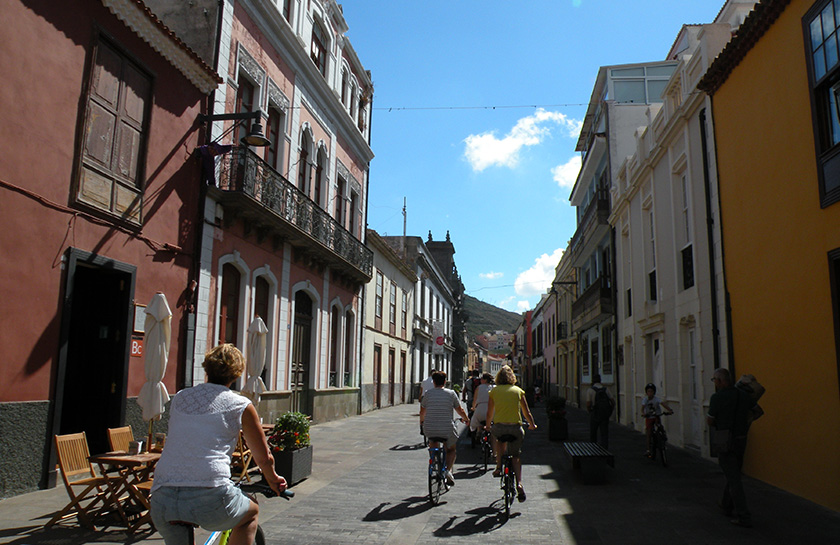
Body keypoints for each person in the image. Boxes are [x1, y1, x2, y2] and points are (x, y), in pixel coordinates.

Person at [150, 344, 287, 545]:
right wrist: (273, 479)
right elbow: (263, 457)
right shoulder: (240, 404)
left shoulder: (180, 398)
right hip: (211, 495)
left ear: (207, 368)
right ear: (237, 373)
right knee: (251, 512)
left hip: (162, 497)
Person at [708, 367, 756, 528]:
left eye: (715, 380)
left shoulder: (717, 397)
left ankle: (744, 515)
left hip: (724, 438)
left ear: (721, 381)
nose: (714, 383)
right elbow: (756, 411)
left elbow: (710, 420)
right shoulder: (742, 395)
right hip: (741, 438)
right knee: (733, 473)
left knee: (733, 478)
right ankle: (726, 504)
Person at [484, 365, 536, 502]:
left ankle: (498, 467)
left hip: (499, 427)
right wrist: (532, 424)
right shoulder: (518, 391)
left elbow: (489, 412)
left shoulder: (494, 392)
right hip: (515, 428)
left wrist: (488, 425)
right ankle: (519, 483)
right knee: (516, 455)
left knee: (500, 441)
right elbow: (526, 412)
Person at [420, 370, 470, 486]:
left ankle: (434, 460)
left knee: (433, 442)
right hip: (446, 428)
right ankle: (447, 470)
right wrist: (466, 419)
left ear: (433, 382)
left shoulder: (428, 393)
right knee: (451, 449)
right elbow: (460, 410)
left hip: (430, 427)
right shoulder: (451, 393)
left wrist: (422, 422)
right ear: (445, 382)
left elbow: (422, 411)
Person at [641, 383, 673, 457]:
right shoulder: (645, 400)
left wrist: (669, 410)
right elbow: (642, 408)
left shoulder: (656, 399)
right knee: (648, 433)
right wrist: (643, 413)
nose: (650, 393)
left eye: (651, 391)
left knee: (660, 426)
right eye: (648, 391)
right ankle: (648, 450)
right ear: (646, 392)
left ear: (654, 392)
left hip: (656, 416)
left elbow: (663, 404)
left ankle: (663, 438)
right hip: (649, 417)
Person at [585, 374, 615, 448]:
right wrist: (610, 410)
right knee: (604, 433)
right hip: (604, 414)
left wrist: (589, 411)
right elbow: (613, 402)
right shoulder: (606, 389)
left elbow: (588, 404)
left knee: (593, 433)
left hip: (595, 413)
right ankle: (605, 449)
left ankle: (593, 448)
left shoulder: (590, 390)